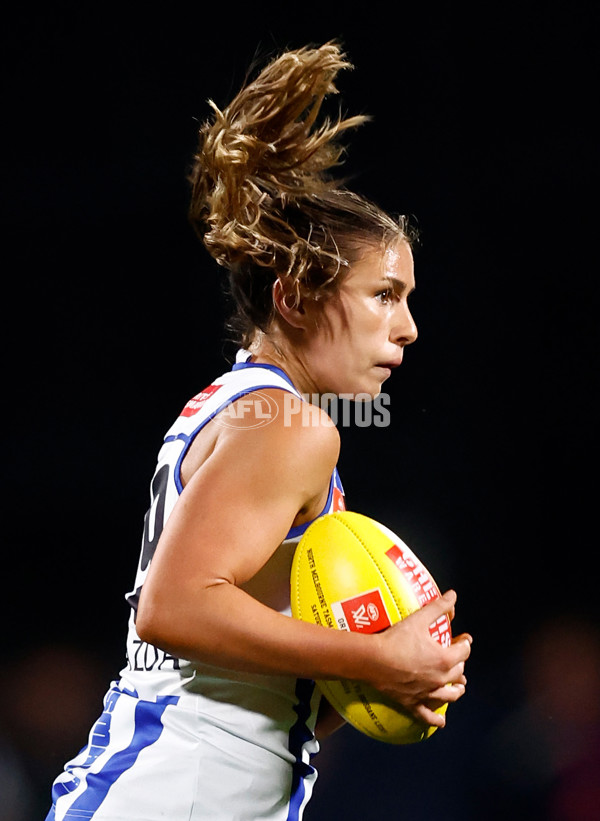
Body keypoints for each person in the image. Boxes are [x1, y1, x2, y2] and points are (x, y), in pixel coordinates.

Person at [45, 41, 473, 821]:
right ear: (295, 296)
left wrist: (390, 679)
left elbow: (252, 676)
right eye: (384, 294)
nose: (409, 327)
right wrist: (376, 654)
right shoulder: (293, 426)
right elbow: (172, 606)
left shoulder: (243, 406)